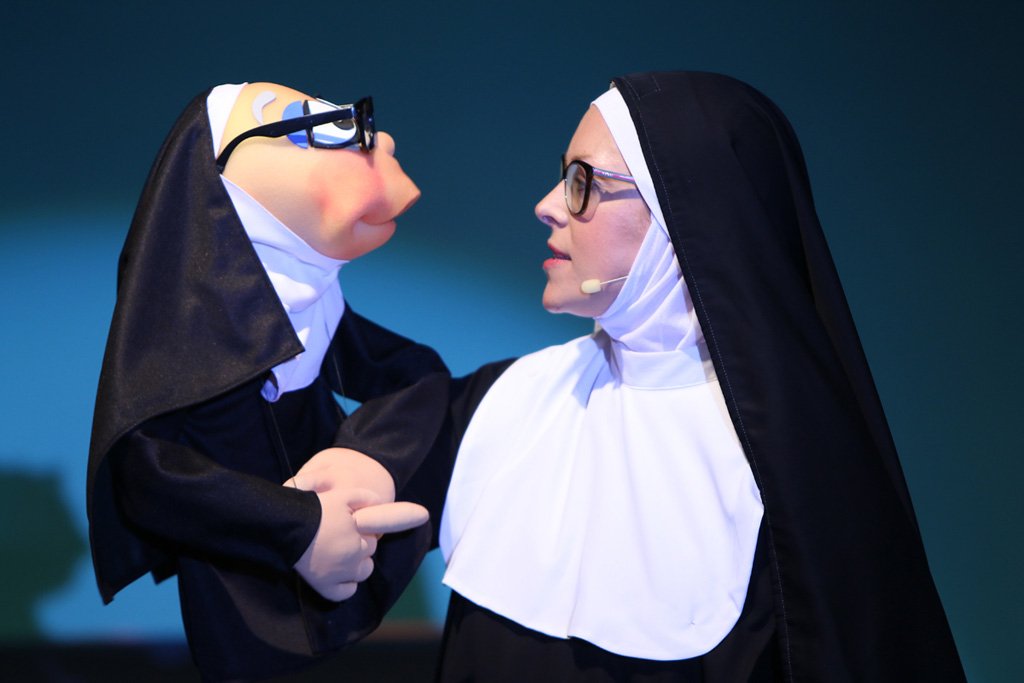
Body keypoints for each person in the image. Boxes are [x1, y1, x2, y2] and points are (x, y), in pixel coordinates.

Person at [311, 71, 967, 681]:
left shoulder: (804, 470)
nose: (546, 206)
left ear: (687, 216)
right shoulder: (502, 402)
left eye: (582, 183)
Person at [86, 82, 441, 681]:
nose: (378, 143)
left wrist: (367, 459)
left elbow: (413, 372)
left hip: (352, 584)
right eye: (327, 130)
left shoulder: (314, 297)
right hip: (243, 595)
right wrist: (298, 526)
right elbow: (148, 473)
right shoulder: (186, 321)